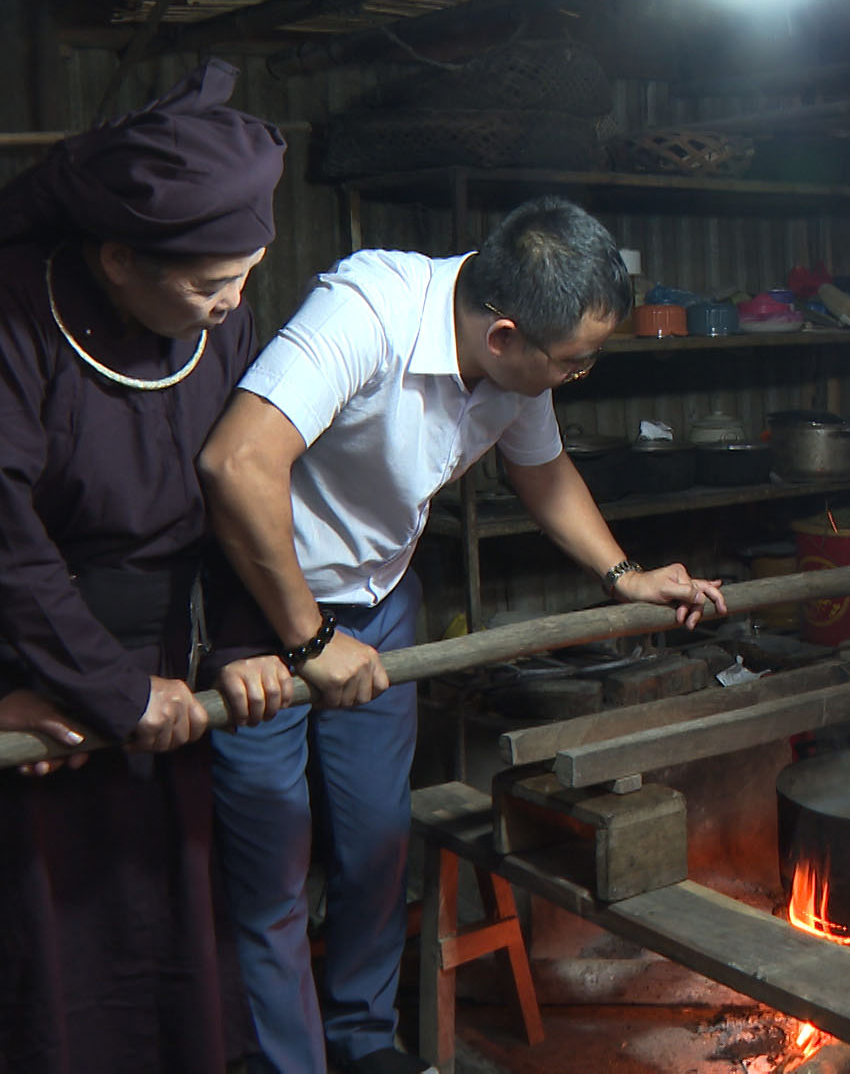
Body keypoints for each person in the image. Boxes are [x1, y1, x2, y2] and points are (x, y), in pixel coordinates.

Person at [198, 195, 728, 1074]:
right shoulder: (368, 310)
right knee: (272, 869)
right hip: (263, 610)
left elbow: (543, 470)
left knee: (374, 842)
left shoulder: (518, 366)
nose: (575, 377)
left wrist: (623, 574)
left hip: (379, 606)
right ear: (504, 335)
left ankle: (364, 1043)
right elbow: (235, 461)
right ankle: (287, 1064)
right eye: (573, 363)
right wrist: (304, 637)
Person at [0, 60, 294, 1073]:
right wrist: (107, 689)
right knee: (43, 976)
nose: (233, 306)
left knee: (178, 961)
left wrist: (250, 641)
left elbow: (229, 484)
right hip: (23, 679)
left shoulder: (216, 325)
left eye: (247, 277)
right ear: (118, 257)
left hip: (157, 686)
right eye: (211, 284)